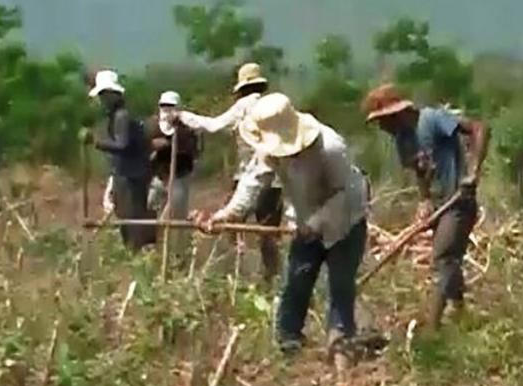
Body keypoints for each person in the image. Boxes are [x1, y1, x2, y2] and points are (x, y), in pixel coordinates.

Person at [194, 93, 368, 355]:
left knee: (340, 283)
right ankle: (289, 341)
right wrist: (227, 214)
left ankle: (340, 341)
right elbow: (253, 182)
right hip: (304, 221)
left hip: (344, 221)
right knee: (296, 278)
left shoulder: (330, 147)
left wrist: (315, 223)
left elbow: (347, 193)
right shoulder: (270, 151)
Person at [363, 84, 489, 329]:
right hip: (439, 205)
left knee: (444, 257)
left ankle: (433, 327)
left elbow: (479, 128)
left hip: (458, 200)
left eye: (382, 121)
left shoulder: (432, 119)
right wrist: (424, 200)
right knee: (449, 258)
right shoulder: (403, 140)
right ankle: (461, 314)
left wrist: (473, 173)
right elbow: (422, 172)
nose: (381, 127)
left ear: (395, 114)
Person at [175, 63, 282, 281]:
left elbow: (215, 125)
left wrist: (184, 117)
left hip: (250, 174)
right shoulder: (274, 105)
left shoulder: (244, 105)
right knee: (268, 232)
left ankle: (238, 269)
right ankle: (271, 276)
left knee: (231, 222)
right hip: (276, 177)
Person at [89, 69, 155, 250]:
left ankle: (139, 254)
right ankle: (135, 253)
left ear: (113, 94)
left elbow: (122, 144)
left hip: (132, 176)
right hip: (124, 173)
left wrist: (96, 142)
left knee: (133, 218)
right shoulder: (115, 116)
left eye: (105, 95)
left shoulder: (121, 116)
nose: (102, 100)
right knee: (125, 216)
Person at [148, 90, 198, 222]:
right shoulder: (154, 126)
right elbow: (146, 146)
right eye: (164, 106)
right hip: (158, 177)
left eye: (171, 107)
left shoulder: (187, 129)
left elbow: (191, 151)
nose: (167, 110)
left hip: (178, 177)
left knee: (175, 216)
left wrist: (170, 145)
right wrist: (152, 146)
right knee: (149, 207)